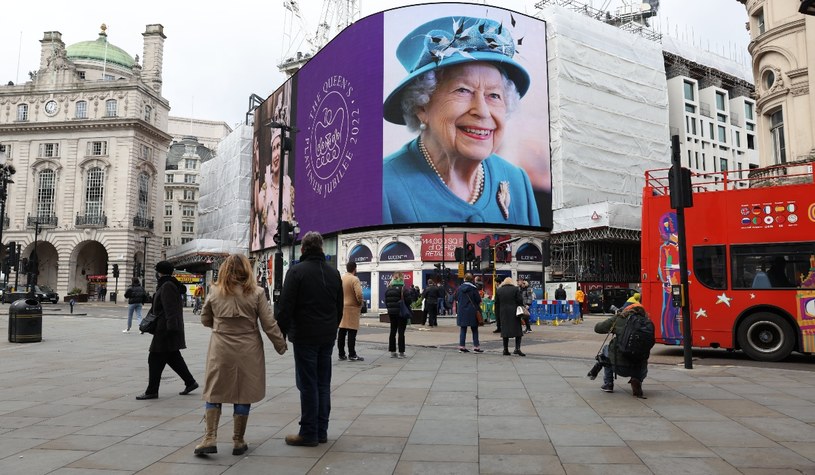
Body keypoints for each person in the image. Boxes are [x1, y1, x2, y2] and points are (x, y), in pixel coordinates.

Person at [382, 16, 540, 226]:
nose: (482, 112)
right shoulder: (383, 186)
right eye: (463, 90)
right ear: (421, 106)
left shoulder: (517, 181)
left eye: (494, 95)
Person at [193, 254, 287, 456]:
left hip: (221, 347)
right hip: (249, 347)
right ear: (246, 270)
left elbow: (204, 318)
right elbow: (268, 323)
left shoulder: (215, 291)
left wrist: (221, 328)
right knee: (244, 392)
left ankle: (210, 437)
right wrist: (280, 344)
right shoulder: (257, 292)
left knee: (214, 390)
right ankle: (238, 440)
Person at [277, 231, 343, 447]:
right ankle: (321, 431)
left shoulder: (296, 272)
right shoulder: (334, 273)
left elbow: (286, 307)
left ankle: (308, 433)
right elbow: (338, 308)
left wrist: (281, 334)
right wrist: (331, 328)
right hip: (327, 336)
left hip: (305, 336)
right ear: (322, 249)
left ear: (303, 249)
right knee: (323, 384)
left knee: (307, 384)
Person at [136, 261, 199, 400]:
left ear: (160, 272)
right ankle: (190, 382)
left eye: (157, 271)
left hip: (166, 329)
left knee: (154, 359)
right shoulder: (168, 284)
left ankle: (152, 391)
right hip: (167, 327)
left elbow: (170, 309)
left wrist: (170, 329)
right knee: (173, 357)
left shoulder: (167, 286)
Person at [594, 302, 650, 398]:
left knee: (606, 349)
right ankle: (637, 379)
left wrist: (615, 321)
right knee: (643, 352)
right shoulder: (647, 323)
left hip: (619, 365)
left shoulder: (620, 318)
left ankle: (608, 384)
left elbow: (598, 328)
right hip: (638, 368)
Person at [337, 262, 365, 362]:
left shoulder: (342, 278)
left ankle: (341, 354)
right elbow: (359, 294)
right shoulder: (354, 279)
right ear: (355, 269)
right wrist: (360, 303)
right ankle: (352, 354)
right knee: (352, 332)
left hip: (342, 307)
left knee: (342, 331)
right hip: (352, 308)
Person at [384, 272, 414, 358]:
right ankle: (401, 352)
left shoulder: (388, 289)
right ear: (401, 278)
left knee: (392, 331)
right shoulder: (404, 289)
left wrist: (390, 309)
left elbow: (387, 302)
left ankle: (392, 351)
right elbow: (409, 301)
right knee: (401, 332)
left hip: (392, 313)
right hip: (401, 313)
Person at [494, 277, 525, 356]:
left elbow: (496, 303)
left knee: (505, 331)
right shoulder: (515, 289)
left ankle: (505, 349)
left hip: (503, 312)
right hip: (514, 312)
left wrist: (497, 315)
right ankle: (517, 349)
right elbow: (520, 300)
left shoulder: (499, 290)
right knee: (518, 331)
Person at [455, 273, 483, 353]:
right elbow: (478, 300)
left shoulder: (459, 288)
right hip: (472, 311)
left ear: (464, 279)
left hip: (462, 310)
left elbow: (455, 298)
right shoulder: (474, 289)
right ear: (471, 280)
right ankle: (476, 346)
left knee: (463, 329)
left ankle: (462, 346)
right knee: (474, 329)